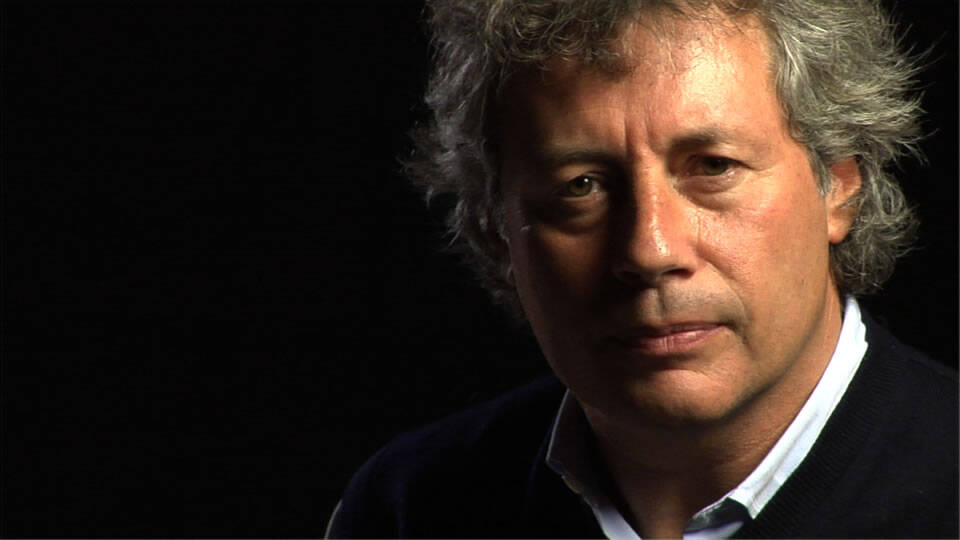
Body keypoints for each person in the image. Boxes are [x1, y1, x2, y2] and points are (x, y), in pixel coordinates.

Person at [327, 0, 958, 537]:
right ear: (496, 233)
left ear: (839, 187)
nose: (650, 251)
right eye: (581, 185)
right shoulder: (406, 508)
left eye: (714, 167)